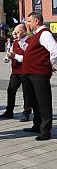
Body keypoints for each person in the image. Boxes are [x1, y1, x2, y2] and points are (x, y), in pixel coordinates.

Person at [21, 12, 57, 141]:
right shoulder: (36, 35)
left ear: (37, 21)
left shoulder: (45, 34)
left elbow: (54, 51)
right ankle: (37, 124)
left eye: (29, 21)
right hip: (30, 73)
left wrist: (52, 65)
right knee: (34, 100)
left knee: (43, 102)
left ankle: (45, 130)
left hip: (39, 73)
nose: (28, 24)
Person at [0, 24, 32, 122]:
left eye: (17, 32)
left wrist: (15, 56)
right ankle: (9, 111)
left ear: (24, 32)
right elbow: (11, 52)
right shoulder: (15, 42)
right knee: (11, 90)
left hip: (25, 71)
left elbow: (28, 58)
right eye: (14, 32)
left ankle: (26, 113)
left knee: (27, 92)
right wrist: (8, 56)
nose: (15, 34)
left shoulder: (29, 42)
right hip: (15, 71)